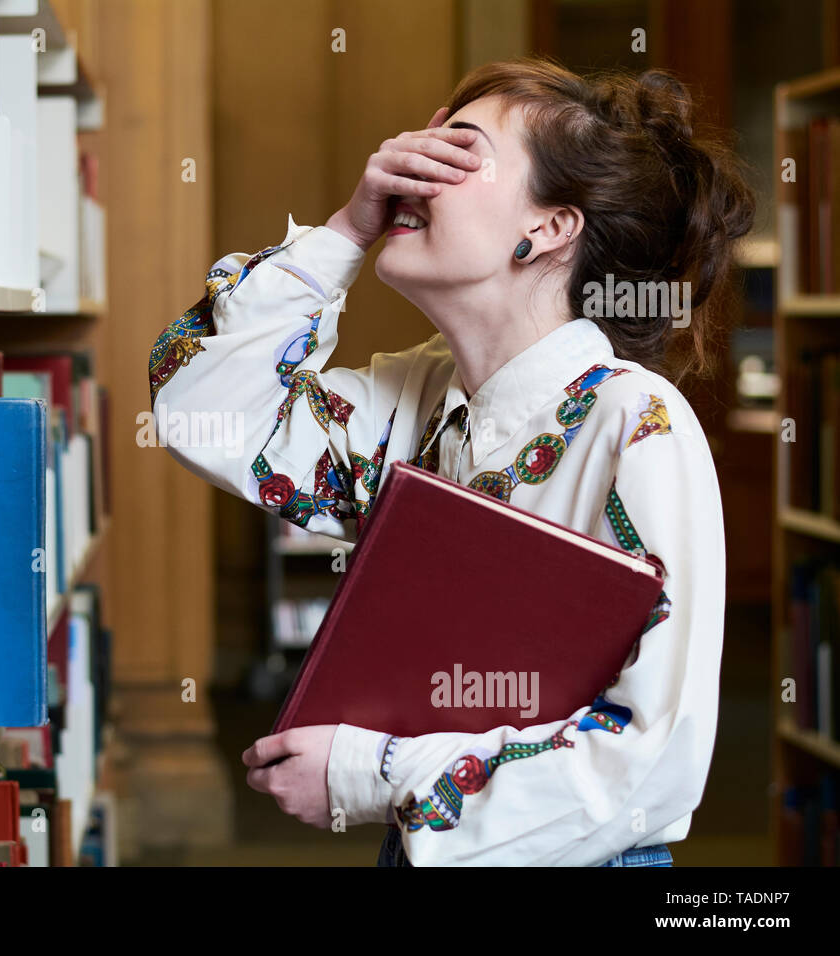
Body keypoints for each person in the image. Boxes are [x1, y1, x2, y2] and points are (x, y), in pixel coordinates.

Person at [147, 57, 755, 866]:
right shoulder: (421, 396)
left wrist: (370, 772)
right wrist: (344, 231)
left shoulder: (635, 420)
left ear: (547, 227)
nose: (411, 168)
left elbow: (653, 764)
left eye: (457, 152)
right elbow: (203, 409)